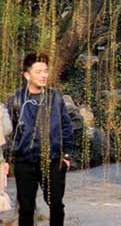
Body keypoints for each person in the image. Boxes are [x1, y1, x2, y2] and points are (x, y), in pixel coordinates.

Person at [4, 53, 74, 226]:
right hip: (25, 161)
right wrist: (9, 156)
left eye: (45, 71)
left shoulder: (55, 98)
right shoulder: (16, 100)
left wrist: (66, 155)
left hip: (53, 160)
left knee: (56, 205)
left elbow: (66, 126)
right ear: (27, 75)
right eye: (38, 71)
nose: (44, 75)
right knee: (26, 208)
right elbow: (7, 132)